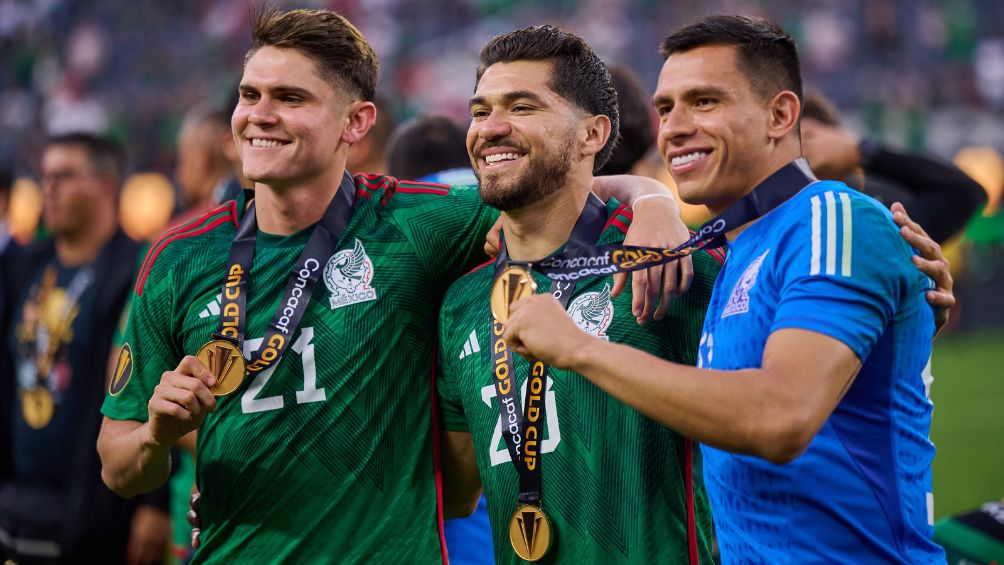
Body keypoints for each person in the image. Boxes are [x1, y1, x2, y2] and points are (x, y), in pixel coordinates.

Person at [97, 8, 691, 563]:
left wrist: (654, 201)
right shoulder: (179, 256)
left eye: (290, 97)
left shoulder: (418, 224)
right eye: (250, 95)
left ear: (356, 121)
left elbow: (547, 190)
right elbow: (118, 466)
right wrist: (156, 435)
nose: (260, 114)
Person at [502, 15, 948, 563]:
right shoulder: (737, 248)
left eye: (704, 102)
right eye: (665, 108)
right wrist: (648, 197)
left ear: (780, 114)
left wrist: (580, 348)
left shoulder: (832, 217)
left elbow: (779, 419)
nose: (674, 128)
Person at [438, 25, 722, 564]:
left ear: (593, 135)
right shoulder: (461, 302)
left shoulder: (669, 265)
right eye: (479, 112)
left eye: (522, 107)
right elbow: (457, 493)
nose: (491, 128)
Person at [0, 133, 170, 564]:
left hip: (92, 510)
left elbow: (155, 387)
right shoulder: (24, 266)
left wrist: (154, 504)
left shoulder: (139, 271)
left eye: (64, 176)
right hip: (16, 502)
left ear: (107, 185)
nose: (48, 187)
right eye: (45, 176)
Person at [800, 90, 986, 244]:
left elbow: (966, 192)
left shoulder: (881, 211)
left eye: (813, 137)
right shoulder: (779, 217)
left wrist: (863, 151)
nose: (808, 150)